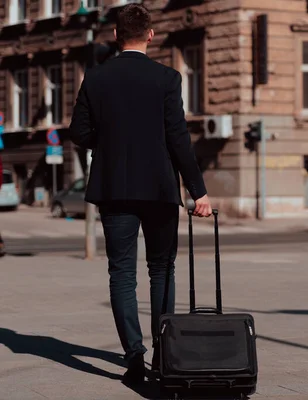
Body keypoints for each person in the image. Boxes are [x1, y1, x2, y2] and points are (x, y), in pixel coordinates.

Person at [69, 4, 212, 383]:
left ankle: (134, 356)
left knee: (121, 274)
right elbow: (178, 139)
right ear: (151, 35)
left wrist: (111, 141)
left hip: (114, 189)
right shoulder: (166, 78)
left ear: (116, 35)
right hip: (159, 188)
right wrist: (198, 191)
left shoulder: (96, 78)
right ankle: (164, 353)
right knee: (162, 269)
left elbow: (79, 134)